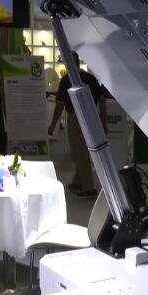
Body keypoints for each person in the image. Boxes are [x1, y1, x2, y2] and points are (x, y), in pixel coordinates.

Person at [47, 52, 107, 198]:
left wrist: (53, 124)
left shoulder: (67, 80)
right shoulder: (91, 78)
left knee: (80, 152)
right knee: (81, 150)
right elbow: (102, 101)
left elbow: (60, 105)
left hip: (76, 118)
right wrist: (102, 122)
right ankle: (79, 180)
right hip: (91, 116)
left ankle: (88, 187)